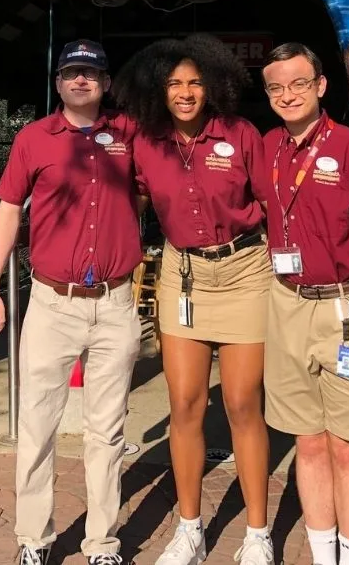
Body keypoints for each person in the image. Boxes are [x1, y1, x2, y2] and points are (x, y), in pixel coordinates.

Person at [113, 34, 275, 565]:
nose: (184, 93)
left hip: (246, 271)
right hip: (182, 277)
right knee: (184, 405)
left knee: (242, 404)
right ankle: (190, 529)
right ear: (156, 90)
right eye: (174, 83)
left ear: (213, 83)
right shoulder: (144, 141)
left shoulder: (240, 133)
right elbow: (120, 198)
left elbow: (278, 201)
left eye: (194, 82)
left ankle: (257, 533)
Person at [0, 39, 142, 565]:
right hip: (51, 302)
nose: (80, 81)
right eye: (70, 72)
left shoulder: (130, 135)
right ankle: (34, 539)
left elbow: (170, 185)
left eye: (90, 73)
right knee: (38, 425)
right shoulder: (33, 139)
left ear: (106, 83)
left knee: (107, 430)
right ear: (57, 83)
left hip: (115, 302)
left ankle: (102, 543)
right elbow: (7, 212)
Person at [260, 42, 349, 565]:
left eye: (299, 83)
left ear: (320, 86)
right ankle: (324, 557)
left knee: (348, 444)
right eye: (276, 87)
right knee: (309, 442)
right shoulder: (267, 148)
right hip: (288, 303)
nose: (288, 95)